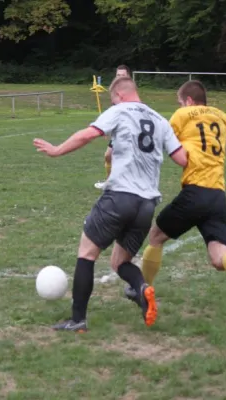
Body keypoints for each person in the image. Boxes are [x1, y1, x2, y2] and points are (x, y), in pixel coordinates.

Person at [33, 77, 188, 332]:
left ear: (118, 94)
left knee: (87, 253)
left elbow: (88, 134)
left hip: (120, 197)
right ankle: (142, 288)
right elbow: (182, 159)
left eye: (112, 98)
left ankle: (78, 320)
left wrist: (57, 150)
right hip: (147, 204)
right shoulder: (161, 120)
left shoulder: (119, 110)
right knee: (119, 262)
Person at [124, 80, 226, 304]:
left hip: (195, 191)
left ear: (188, 101)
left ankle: (141, 289)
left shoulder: (183, 114)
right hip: (217, 195)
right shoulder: (223, 116)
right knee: (219, 258)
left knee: (156, 236)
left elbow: (164, 139)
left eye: (180, 102)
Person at [94, 64, 132, 190]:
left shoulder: (130, 91)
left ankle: (124, 184)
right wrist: (106, 127)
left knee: (124, 158)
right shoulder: (115, 90)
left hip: (129, 131)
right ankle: (111, 183)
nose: (120, 78)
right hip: (119, 130)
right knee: (108, 156)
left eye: (123, 75)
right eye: (118, 75)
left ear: (128, 77)